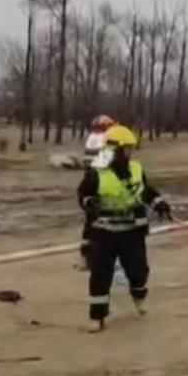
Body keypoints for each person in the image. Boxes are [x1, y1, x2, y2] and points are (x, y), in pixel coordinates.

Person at [76, 124, 172, 333]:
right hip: (104, 233)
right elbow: (83, 194)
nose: (129, 153)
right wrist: (89, 202)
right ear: (115, 149)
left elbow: (146, 191)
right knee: (100, 275)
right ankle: (97, 316)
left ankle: (139, 296)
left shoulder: (136, 169)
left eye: (131, 149)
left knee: (138, 270)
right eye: (126, 149)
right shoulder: (96, 172)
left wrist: (159, 203)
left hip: (132, 232)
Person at [78, 115, 116, 271]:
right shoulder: (105, 139)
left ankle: (85, 258)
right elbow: (108, 162)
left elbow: (87, 162)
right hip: (101, 181)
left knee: (89, 222)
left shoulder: (91, 138)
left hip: (89, 179)